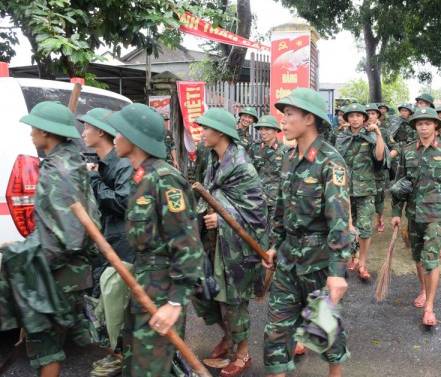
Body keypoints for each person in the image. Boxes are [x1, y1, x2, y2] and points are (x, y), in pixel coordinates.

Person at [0, 101, 100, 377]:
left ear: (46, 132)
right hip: (67, 272)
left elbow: (68, 236)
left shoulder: (59, 171)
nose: (31, 133)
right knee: (52, 340)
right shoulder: (68, 159)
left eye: (34, 127)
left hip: (59, 274)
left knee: (47, 347)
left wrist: (24, 253)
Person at [106, 103, 204, 376]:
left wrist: (174, 303)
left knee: (153, 370)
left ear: (135, 138)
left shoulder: (165, 180)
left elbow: (188, 245)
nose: (114, 135)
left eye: (120, 130)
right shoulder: (142, 177)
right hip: (142, 286)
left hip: (162, 293)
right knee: (136, 367)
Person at [262, 87, 352, 377]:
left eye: (289, 114)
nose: (283, 121)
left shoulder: (330, 161)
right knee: (275, 333)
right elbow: (280, 207)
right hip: (288, 261)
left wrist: (337, 271)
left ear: (309, 119)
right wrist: (275, 244)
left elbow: (339, 220)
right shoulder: (288, 158)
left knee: (324, 332)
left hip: (318, 262)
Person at [193, 108, 268, 377]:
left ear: (220, 133)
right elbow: (209, 193)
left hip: (237, 247)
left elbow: (257, 212)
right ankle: (229, 338)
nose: (201, 133)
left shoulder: (241, 165)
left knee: (233, 301)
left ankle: (243, 353)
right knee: (206, 293)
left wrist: (222, 220)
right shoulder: (214, 158)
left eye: (206, 129)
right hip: (216, 244)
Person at [390, 107, 441, 327]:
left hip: (438, 214)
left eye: (428, 123)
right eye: (419, 124)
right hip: (414, 214)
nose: (423, 127)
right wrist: (396, 212)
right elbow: (399, 185)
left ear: (435, 126)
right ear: (415, 127)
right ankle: (423, 289)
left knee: (430, 259)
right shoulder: (407, 151)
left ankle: (430, 307)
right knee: (418, 258)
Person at [79, 108, 134, 377]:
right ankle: (116, 353)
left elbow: (123, 202)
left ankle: (120, 356)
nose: (82, 133)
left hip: (121, 241)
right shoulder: (103, 163)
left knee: (116, 301)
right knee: (102, 299)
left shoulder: (121, 164)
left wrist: (94, 179)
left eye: (86, 127)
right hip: (105, 238)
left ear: (100, 131)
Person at [335, 103, 388, 280]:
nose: (355, 119)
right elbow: (336, 163)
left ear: (364, 118)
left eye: (359, 116)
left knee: (364, 228)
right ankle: (353, 256)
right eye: (351, 116)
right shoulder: (341, 136)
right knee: (347, 227)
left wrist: (378, 134)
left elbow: (380, 157)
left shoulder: (371, 136)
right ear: (347, 118)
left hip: (365, 189)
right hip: (344, 190)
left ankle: (363, 263)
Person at [247, 115, 290, 227]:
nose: (263, 132)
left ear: (275, 130)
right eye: (261, 129)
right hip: (256, 198)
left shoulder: (285, 151)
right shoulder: (254, 148)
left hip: (275, 201)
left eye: (267, 129)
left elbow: (288, 178)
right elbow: (248, 172)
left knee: (273, 232)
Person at [365, 103, 399, 233]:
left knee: (379, 199)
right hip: (362, 173)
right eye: (367, 113)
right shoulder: (360, 132)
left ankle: (379, 219)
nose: (370, 116)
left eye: (373, 113)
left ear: (378, 116)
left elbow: (396, 147)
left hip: (378, 173)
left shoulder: (384, 132)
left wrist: (387, 158)